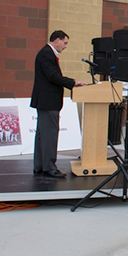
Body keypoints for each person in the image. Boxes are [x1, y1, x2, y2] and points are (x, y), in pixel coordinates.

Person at [31, 30, 87, 178]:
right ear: (57, 40)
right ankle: (49, 168)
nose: (65, 46)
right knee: (49, 135)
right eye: (65, 42)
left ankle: (40, 166)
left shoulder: (47, 54)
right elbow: (53, 76)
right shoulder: (46, 54)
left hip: (45, 101)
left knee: (43, 135)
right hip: (48, 101)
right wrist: (73, 82)